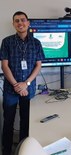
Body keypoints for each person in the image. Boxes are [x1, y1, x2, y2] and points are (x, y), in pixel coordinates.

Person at [0, 11, 45, 155]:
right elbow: (4, 66)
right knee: (8, 122)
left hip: (28, 90)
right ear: (13, 24)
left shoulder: (36, 43)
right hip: (10, 90)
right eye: (17, 21)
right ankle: (6, 150)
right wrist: (17, 86)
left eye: (23, 20)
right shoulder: (7, 41)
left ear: (28, 23)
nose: (20, 23)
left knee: (26, 122)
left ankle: (23, 151)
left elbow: (38, 65)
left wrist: (26, 83)